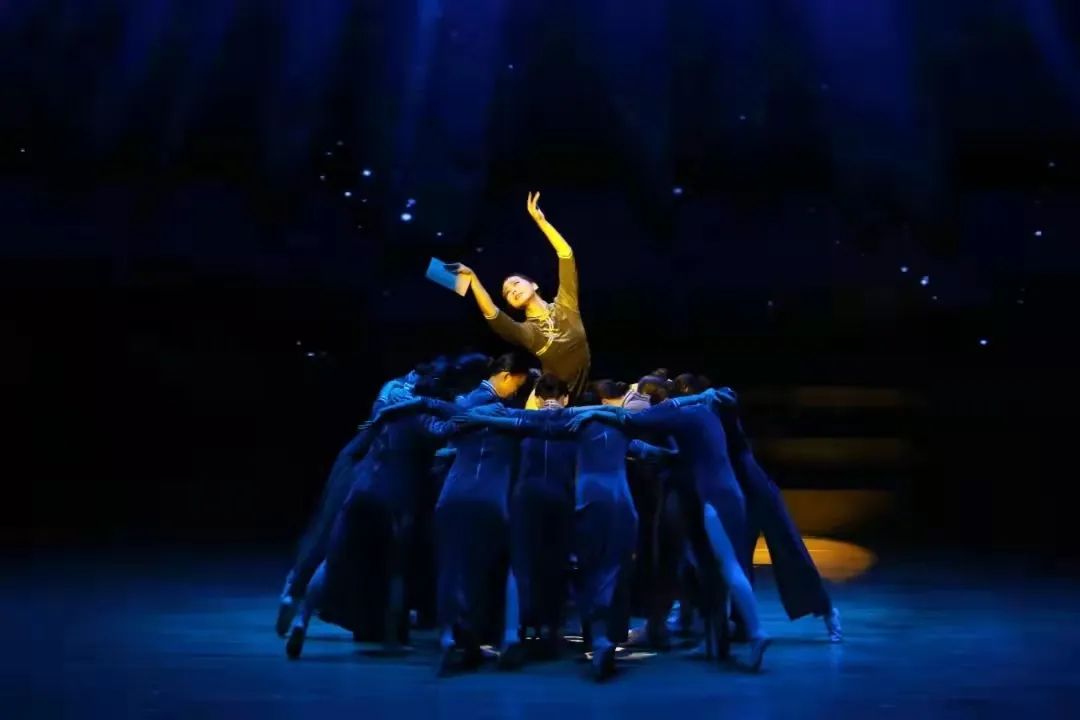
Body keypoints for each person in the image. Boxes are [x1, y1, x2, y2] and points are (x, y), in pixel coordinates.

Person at [454, 383, 674, 681]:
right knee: (583, 569)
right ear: (566, 397)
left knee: (521, 567)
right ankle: (579, 636)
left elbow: (506, 423)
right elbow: (643, 447)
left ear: (538, 396)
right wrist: (674, 455)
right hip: (575, 501)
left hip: (532, 498)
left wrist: (474, 417)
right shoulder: (597, 423)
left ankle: (512, 636)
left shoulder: (544, 421)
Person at [570, 382, 772, 672]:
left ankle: (756, 632)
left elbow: (628, 419)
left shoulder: (677, 413)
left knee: (726, 566)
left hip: (711, 495)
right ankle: (720, 638)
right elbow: (675, 452)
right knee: (718, 566)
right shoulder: (707, 413)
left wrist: (590, 412)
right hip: (730, 492)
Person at [284, 374, 461, 659]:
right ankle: (391, 638)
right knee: (395, 570)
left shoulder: (385, 415)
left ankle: (301, 620)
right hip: (394, 503)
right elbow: (460, 419)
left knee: (332, 560)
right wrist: (431, 403)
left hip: (361, 491)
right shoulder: (425, 421)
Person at [673, 373, 842, 642]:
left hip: (754, 487)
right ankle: (735, 622)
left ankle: (827, 611)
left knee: (788, 547)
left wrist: (707, 396)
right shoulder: (691, 416)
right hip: (731, 493)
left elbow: (728, 396)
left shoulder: (716, 404)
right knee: (731, 556)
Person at [427, 354, 534, 675]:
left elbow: (438, 437)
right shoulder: (507, 414)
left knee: (452, 569)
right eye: (518, 383)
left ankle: (450, 639)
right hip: (491, 498)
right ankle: (502, 638)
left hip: (453, 494)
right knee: (494, 569)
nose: (517, 390)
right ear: (506, 375)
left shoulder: (462, 406)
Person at [447, 193, 591, 402]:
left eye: (515, 283)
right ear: (512, 305)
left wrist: (541, 222)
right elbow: (493, 314)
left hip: (584, 393)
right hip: (550, 402)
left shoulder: (566, 304)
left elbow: (566, 255)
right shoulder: (526, 332)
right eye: (507, 293)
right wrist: (472, 279)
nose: (512, 291)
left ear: (534, 285)